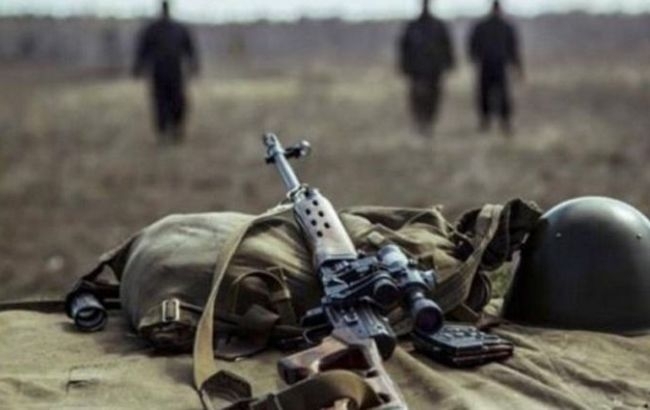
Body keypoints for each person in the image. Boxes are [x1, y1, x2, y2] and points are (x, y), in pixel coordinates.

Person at [133, 1, 199, 143]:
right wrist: (138, 67)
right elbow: (143, 49)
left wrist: (194, 65)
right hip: (161, 71)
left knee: (176, 101)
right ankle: (164, 131)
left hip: (173, 71)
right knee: (161, 102)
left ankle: (175, 128)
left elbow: (189, 48)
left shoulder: (175, 29)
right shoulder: (155, 29)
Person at [398, 0, 455, 137]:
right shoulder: (413, 27)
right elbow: (405, 49)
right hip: (418, 72)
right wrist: (405, 67)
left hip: (433, 71)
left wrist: (448, 63)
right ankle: (421, 123)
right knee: (418, 99)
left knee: (432, 99)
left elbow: (446, 46)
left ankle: (428, 123)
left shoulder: (437, 27)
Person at [468, 1, 522, 135]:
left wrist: (517, 66)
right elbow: (473, 45)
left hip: (498, 65)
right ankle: (486, 121)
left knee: (501, 95)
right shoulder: (488, 26)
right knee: (485, 95)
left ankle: (503, 122)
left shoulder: (503, 27)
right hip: (488, 65)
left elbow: (513, 48)